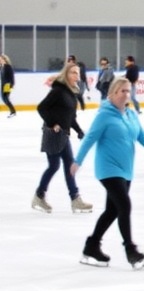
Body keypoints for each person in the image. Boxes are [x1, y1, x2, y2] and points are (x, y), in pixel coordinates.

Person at [72, 77, 144, 269]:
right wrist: (77, 161)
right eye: (122, 91)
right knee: (124, 205)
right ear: (112, 94)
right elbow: (89, 139)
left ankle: (91, 247)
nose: (126, 94)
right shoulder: (104, 115)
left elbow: (140, 134)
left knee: (112, 210)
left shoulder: (130, 114)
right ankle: (130, 250)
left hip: (126, 169)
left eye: (128, 91)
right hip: (108, 169)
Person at [33, 62, 93, 214]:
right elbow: (41, 107)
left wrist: (79, 131)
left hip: (64, 134)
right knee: (54, 166)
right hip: (53, 134)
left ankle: (75, 199)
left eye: (78, 73)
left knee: (69, 166)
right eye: (73, 73)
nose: (77, 76)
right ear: (66, 74)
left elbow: (70, 117)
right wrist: (52, 123)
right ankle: (39, 196)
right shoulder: (58, 91)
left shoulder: (71, 92)